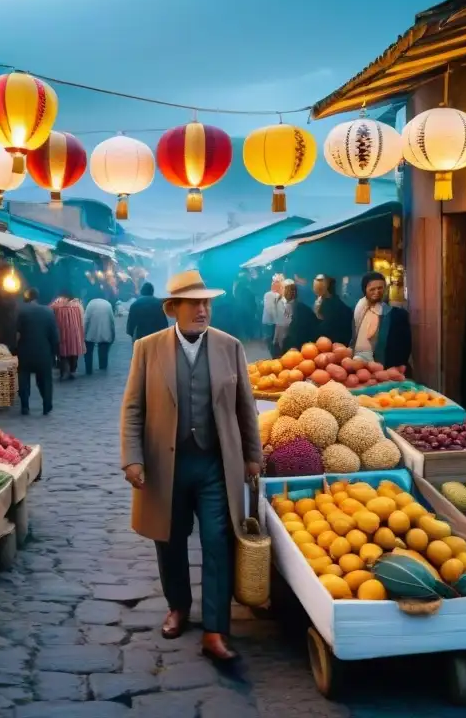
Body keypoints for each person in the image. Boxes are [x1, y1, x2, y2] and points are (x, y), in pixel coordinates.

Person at [120, 269, 262, 664]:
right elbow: (133, 408)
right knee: (169, 538)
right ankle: (178, 606)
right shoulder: (148, 349)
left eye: (207, 303)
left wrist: (253, 456)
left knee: (218, 540)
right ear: (174, 308)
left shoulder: (229, 346)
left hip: (215, 463)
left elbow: (245, 406)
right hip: (167, 463)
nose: (203, 310)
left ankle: (215, 630)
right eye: (195, 303)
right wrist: (132, 457)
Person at [351, 272, 412, 369]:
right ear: (365, 290)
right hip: (357, 363)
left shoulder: (396, 315)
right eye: (372, 289)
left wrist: (399, 366)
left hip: (382, 367)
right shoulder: (358, 311)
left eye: (380, 288)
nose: (377, 292)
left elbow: (405, 345)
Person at [16, 288, 60, 415]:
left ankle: (25, 406)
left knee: (24, 378)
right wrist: (55, 354)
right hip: (43, 353)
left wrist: (15, 349)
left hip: (25, 352)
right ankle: (47, 405)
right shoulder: (48, 312)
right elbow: (54, 337)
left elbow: (17, 334)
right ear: (37, 298)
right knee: (46, 379)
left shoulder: (22, 312)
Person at [50, 290, 86, 381]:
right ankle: (72, 371)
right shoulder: (78, 304)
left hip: (62, 332)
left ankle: (64, 371)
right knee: (74, 353)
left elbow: (49, 310)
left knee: (63, 354)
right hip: (75, 332)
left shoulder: (57, 302)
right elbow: (82, 318)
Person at [314, 274, 354, 346]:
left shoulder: (329, 305)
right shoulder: (337, 303)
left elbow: (324, 330)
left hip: (332, 347)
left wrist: (317, 313)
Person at [83, 293, 116, 374]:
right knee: (103, 351)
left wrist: (83, 333)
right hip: (105, 332)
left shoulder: (91, 304)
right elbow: (112, 321)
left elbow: (86, 320)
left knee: (88, 352)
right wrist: (113, 334)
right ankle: (103, 368)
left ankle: (89, 369)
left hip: (91, 332)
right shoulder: (108, 304)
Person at [273, 279, 296, 357]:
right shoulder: (280, 301)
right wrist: (275, 337)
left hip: (288, 336)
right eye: (282, 287)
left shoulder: (293, 304)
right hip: (281, 334)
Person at [262, 274, 284, 354]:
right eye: (274, 281)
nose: (275, 283)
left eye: (279, 281)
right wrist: (278, 321)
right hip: (271, 324)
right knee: (273, 344)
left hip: (277, 323)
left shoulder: (280, 294)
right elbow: (270, 310)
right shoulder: (269, 295)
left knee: (278, 343)